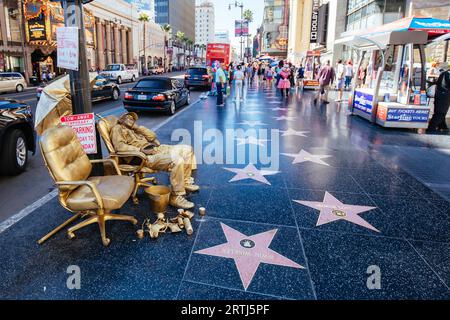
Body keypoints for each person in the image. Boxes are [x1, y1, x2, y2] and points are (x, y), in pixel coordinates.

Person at [111, 113, 199, 209]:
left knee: (187, 149)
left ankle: (184, 182)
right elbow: (119, 147)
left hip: (156, 149)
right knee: (177, 160)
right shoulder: (118, 129)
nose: (131, 119)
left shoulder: (135, 129)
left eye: (133, 119)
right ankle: (176, 196)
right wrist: (140, 150)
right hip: (143, 156)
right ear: (122, 119)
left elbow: (152, 136)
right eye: (128, 117)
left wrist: (137, 127)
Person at [428, 67, 450, 133]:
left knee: (440, 111)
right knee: (440, 113)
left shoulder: (444, 73)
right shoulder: (447, 74)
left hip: (439, 94)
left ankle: (442, 126)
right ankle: (431, 127)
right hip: (444, 95)